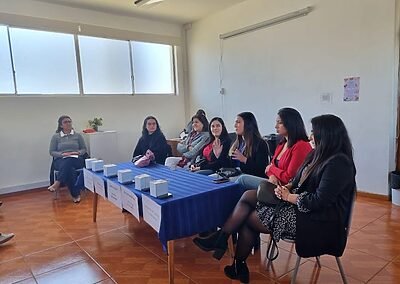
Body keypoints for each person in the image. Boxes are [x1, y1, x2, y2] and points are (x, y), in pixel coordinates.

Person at [193, 114, 356, 283]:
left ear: (327, 135)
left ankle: (228, 249)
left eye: (314, 132)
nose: (310, 136)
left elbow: (318, 201)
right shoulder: (317, 155)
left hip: (317, 220)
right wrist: (287, 188)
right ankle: (229, 250)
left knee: (249, 218)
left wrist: (289, 196)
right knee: (249, 196)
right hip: (300, 209)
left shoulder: (339, 163)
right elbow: (297, 179)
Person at [236, 107, 312, 189]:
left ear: (290, 124)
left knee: (242, 179)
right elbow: (268, 169)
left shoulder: (301, 146)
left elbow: (289, 177)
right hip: (273, 182)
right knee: (246, 195)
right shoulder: (281, 144)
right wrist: (272, 176)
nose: (276, 126)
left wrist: (272, 169)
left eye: (279, 123)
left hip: (286, 189)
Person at [48, 115, 87, 203]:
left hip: (76, 159)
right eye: (65, 122)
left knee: (69, 161)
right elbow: (52, 152)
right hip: (61, 160)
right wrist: (62, 154)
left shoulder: (78, 136)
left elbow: (84, 149)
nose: (68, 123)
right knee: (70, 169)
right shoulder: (56, 137)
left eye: (69, 121)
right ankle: (75, 195)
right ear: (61, 125)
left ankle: (57, 182)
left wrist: (77, 153)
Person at [228, 112, 268, 179]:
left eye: (238, 122)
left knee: (238, 179)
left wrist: (244, 160)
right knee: (214, 177)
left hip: (251, 176)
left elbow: (261, 170)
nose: (235, 125)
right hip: (236, 173)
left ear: (247, 124)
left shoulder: (260, 143)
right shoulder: (237, 143)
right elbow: (230, 165)